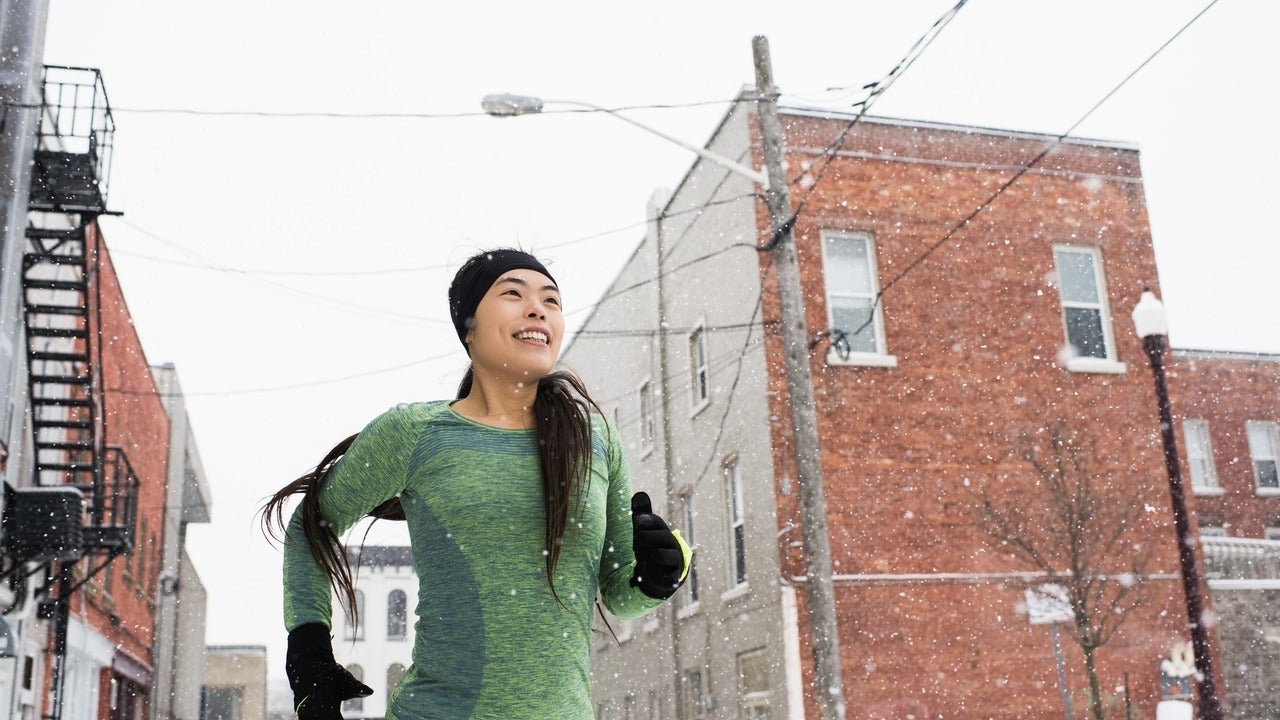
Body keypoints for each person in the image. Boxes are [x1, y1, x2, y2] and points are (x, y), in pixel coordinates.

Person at [260, 248, 691, 720]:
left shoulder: (593, 438)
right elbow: (311, 524)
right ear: (469, 327)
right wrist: (309, 655)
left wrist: (663, 570)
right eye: (513, 294)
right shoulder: (414, 433)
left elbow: (618, 593)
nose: (538, 309)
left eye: (551, 300)